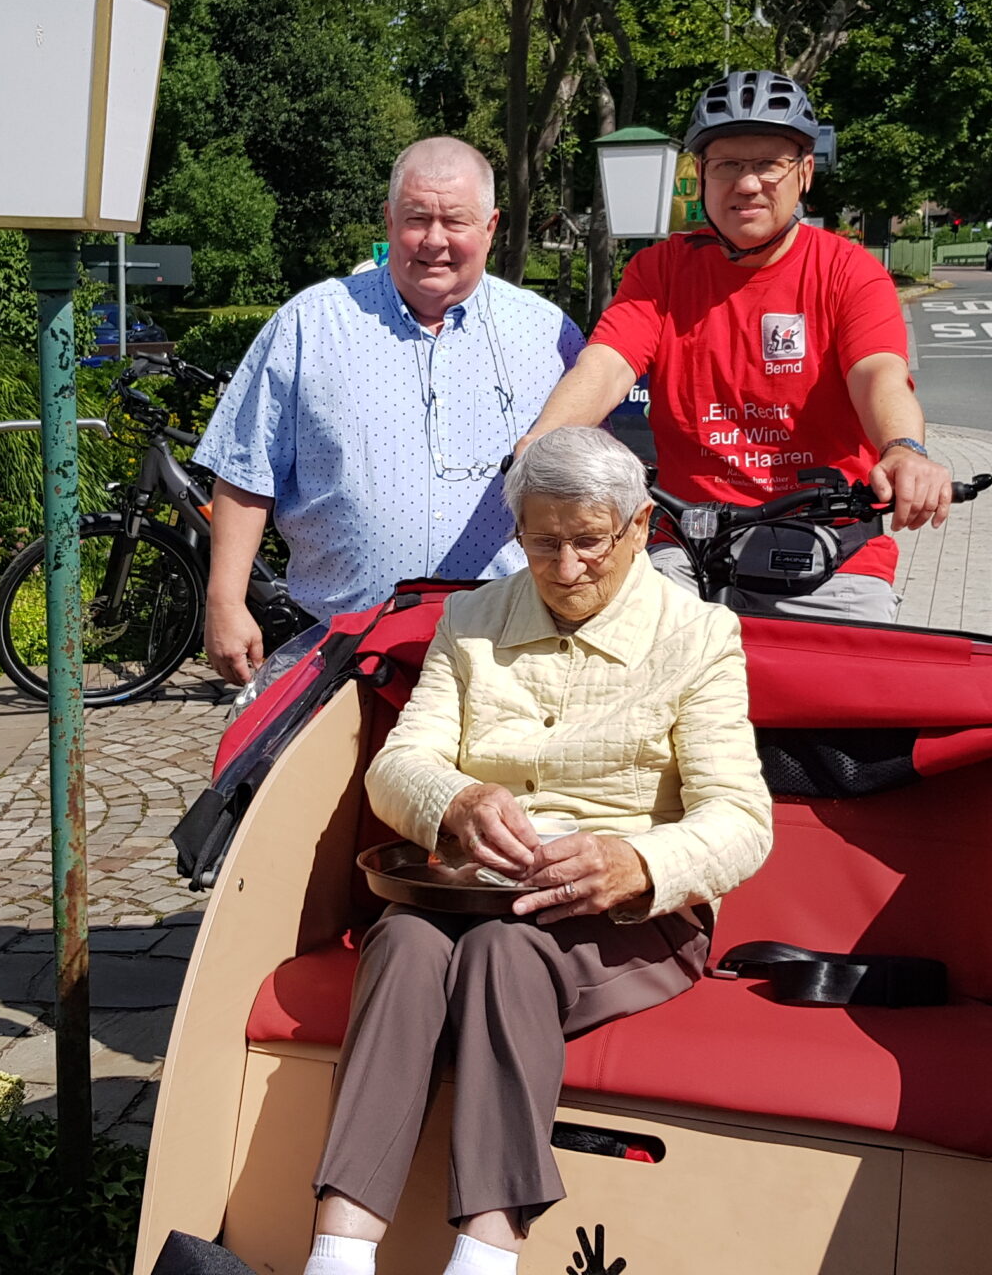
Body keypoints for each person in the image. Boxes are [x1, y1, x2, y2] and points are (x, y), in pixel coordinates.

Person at [301, 426, 770, 1275]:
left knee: (501, 953)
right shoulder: (469, 618)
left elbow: (741, 817)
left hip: (630, 916)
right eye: (542, 542)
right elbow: (399, 765)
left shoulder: (699, 635)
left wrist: (639, 865)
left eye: (590, 542)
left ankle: (486, 1255)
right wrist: (455, 800)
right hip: (467, 895)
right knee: (402, 942)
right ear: (516, 533)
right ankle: (337, 1253)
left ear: (638, 529)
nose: (564, 568)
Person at [519, 70, 953, 621]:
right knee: (630, 666)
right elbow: (607, 363)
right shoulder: (661, 270)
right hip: (688, 539)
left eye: (768, 164)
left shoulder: (849, 272)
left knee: (846, 691)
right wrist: (544, 439)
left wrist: (903, 450)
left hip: (828, 545)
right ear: (701, 176)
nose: (747, 184)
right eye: (727, 166)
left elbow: (879, 375)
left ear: (805, 172)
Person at [197, 137, 585, 682]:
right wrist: (225, 602)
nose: (434, 240)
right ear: (387, 219)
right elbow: (245, 473)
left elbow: (589, 489)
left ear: (491, 227)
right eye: (416, 218)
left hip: (508, 650)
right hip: (342, 649)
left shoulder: (548, 336)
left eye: (456, 220)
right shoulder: (310, 324)